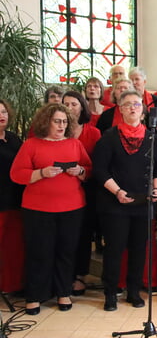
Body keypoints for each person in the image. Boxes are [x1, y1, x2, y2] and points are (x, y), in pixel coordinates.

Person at [10, 103, 91, 315]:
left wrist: (80, 170)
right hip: (38, 208)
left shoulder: (74, 144)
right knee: (40, 252)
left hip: (72, 207)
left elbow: (89, 170)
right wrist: (41, 173)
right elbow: (17, 174)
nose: (61, 125)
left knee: (66, 252)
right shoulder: (31, 144)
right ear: (47, 121)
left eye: (64, 122)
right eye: (57, 121)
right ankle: (35, 296)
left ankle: (63, 292)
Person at [93, 90, 157, 312]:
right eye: (127, 105)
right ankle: (111, 293)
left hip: (143, 204)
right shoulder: (109, 136)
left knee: (138, 250)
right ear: (120, 110)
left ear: (143, 110)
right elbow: (100, 170)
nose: (133, 108)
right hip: (116, 203)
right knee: (114, 250)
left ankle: (134, 291)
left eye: (136, 104)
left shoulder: (152, 138)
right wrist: (117, 191)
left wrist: (156, 189)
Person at [62, 91, 102, 296]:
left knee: (83, 234)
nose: (70, 107)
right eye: (66, 104)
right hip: (60, 189)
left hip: (87, 188)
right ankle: (62, 275)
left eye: (74, 104)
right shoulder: (57, 131)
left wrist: (83, 172)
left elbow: (99, 164)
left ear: (82, 107)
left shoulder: (93, 132)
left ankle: (79, 275)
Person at [0, 99, 25, 295]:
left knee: (13, 247)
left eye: (4, 112)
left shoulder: (13, 138)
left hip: (15, 200)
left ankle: (13, 286)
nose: (1, 116)